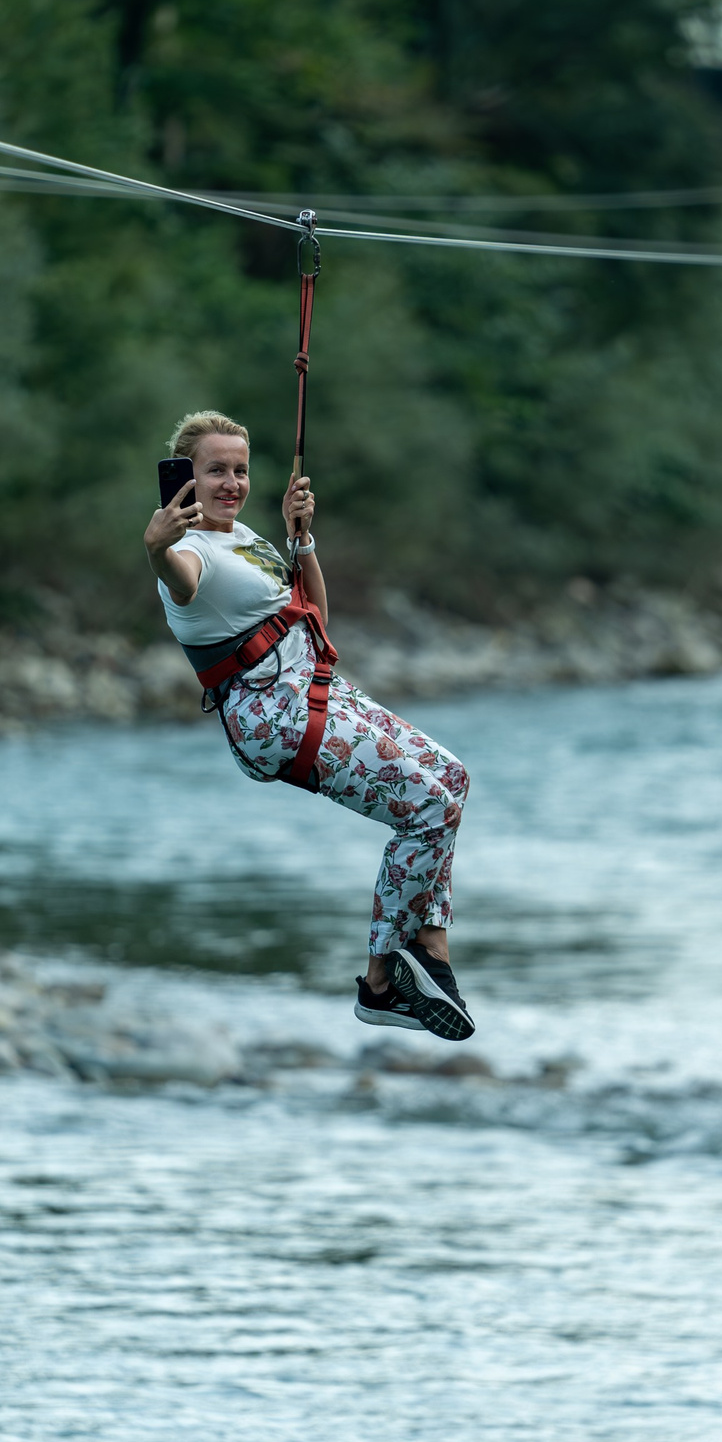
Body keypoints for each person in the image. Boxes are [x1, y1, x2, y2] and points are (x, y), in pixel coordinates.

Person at [144, 410, 474, 1041]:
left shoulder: (246, 538)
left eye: (241, 470)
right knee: (428, 807)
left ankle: (429, 948)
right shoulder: (188, 551)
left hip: (316, 685)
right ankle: (383, 981)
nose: (232, 483)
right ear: (186, 476)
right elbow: (181, 586)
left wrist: (302, 541)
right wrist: (157, 546)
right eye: (216, 471)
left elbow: (314, 613)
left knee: (452, 780)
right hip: (275, 714)